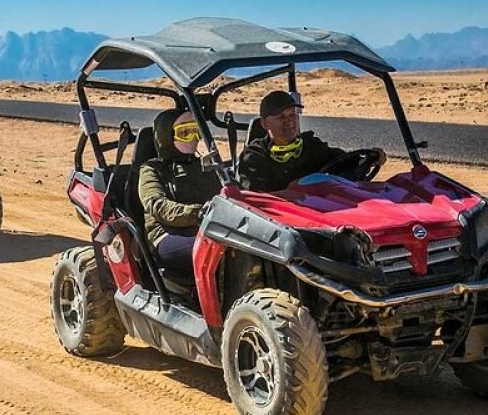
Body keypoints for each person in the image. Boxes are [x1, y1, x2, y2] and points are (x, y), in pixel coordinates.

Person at [238, 90, 386, 192]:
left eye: (292, 115)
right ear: (265, 124)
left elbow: (343, 161)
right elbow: (258, 200)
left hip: (321, 213)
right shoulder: (254, 156)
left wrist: (369, 159)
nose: (289, 121)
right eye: (281, 117)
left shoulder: (311, 145)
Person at [138, 109, 221, 276]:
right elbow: (157, 205)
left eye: (195, 132)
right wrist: (196, 213)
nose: (192, 139)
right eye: (184, 133)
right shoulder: (152, 169)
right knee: (217, 252)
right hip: (167, 234)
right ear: (166, 137)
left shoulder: (204, 165)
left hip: (207, 228)